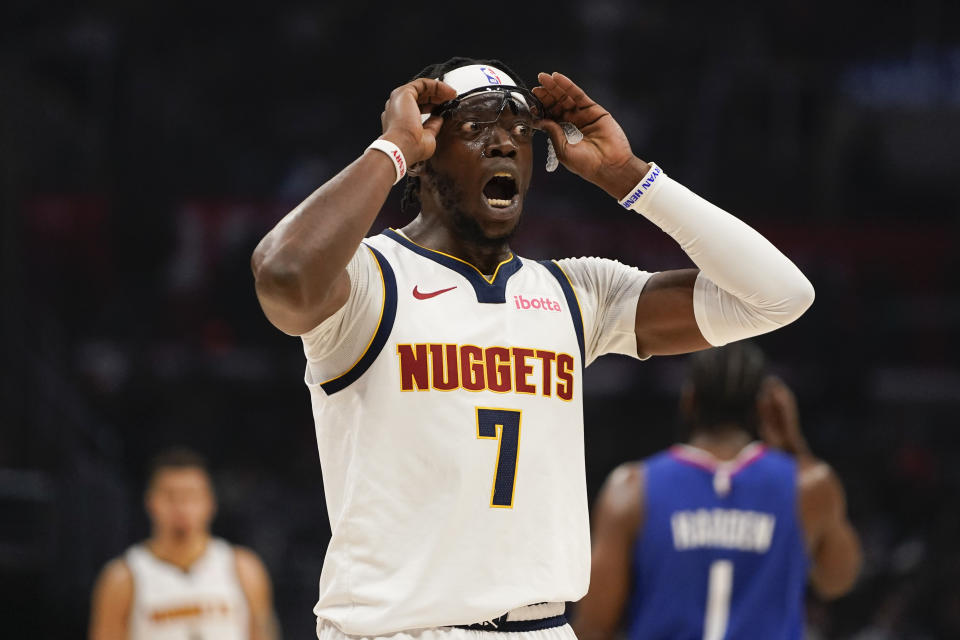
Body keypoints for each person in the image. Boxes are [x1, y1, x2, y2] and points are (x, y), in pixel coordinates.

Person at [250, 56, 815, 640]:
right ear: (425, 156)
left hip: (542, 629)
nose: (504, 144)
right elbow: (283, 275)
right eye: (474, 128)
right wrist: (391, 147)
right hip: (399, 631)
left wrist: (629, 177)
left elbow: (778, 297)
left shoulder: (577, 292)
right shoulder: (369, 279)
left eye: (520, 130)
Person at [571, 343, 862, 640]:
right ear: (762, 407)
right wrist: (794, 447)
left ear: (689, 400)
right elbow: (837, 580)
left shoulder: (630, 488)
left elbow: (594, 626)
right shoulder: (809, 485)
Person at [89, 448, 278, 640]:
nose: (181, 506)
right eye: (171, 496)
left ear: (210, 502)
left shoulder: (243, 569)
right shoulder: (123, 578)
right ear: (151, 502)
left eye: (191, 495)